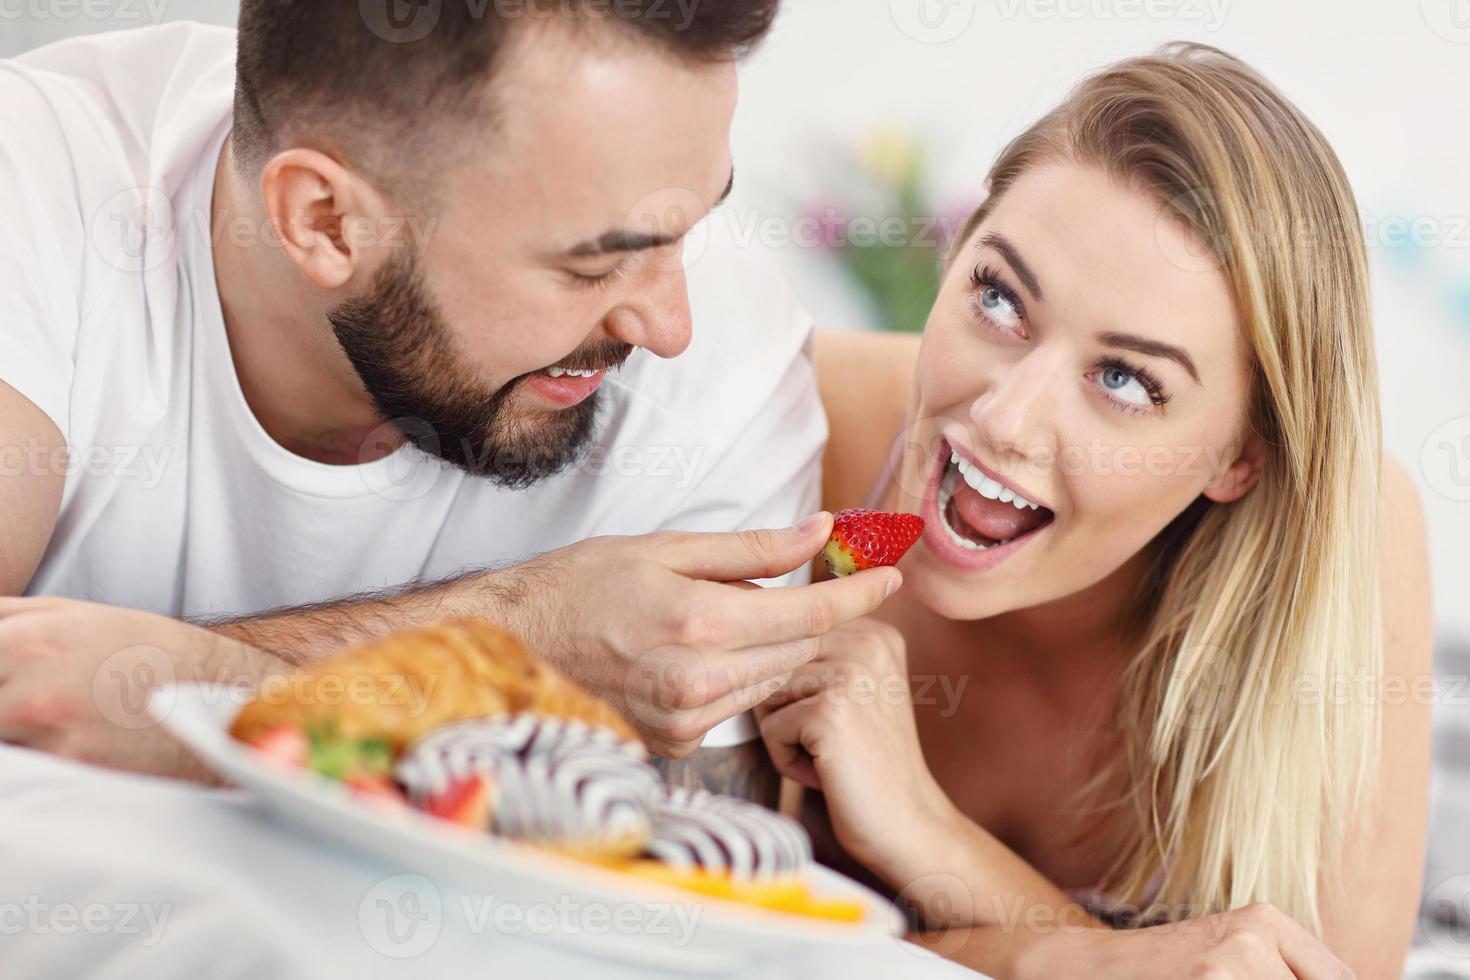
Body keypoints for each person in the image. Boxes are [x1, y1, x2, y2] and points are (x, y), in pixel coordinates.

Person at [0, 3, 901, 794]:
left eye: (692, 229)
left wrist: (185, 699)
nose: (669, 325)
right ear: (324, 220)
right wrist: (516, 645)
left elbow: (695, 894)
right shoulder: (45, 186)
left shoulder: (731, 367)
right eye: (592, 263)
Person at [760, 44, 1432, 978]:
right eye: (998, 298)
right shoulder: (797, 423)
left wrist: (933, 839)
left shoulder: (1356, 547)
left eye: (1124, 379)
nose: (1002, 416)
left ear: (1240, 459)